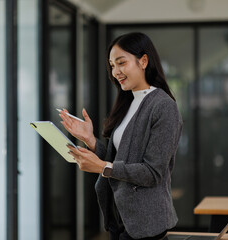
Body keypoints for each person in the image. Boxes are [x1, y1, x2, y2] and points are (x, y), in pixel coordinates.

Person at [59, 32, 183, 240]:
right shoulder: (128, 102)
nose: (116, 71)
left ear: (143, 61)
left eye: (121, 63)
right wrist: (90, 140)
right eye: (112, 65)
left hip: (146, 225)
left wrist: (101, 167)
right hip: (120, 218)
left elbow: (153, 173)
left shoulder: (163, 107)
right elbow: (117, 160)